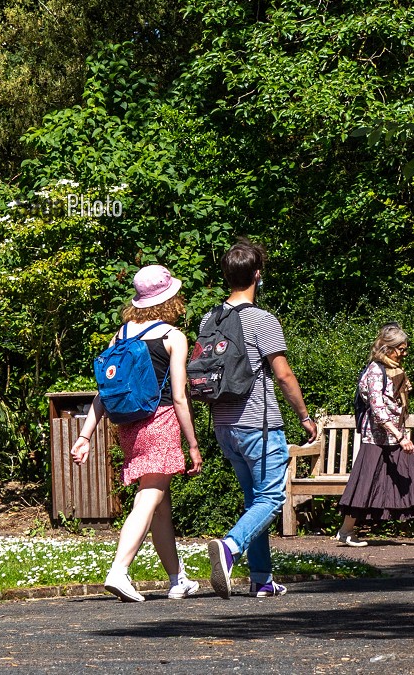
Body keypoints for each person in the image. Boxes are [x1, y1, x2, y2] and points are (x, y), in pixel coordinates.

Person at [71, 264, 203, 602]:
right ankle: (119, 570)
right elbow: (178, 397)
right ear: (170, 299)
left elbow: (105, 390)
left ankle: (177, 579)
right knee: (148, 499)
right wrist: (192, 444)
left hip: (128, 428)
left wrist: (85, 435)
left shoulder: (122, 335)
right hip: (160, 424)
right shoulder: (173, 337)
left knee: (160, 503)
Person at [204, 239, 319, 599]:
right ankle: (230, 548)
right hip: (259, 423)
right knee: (271, 498)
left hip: (223, 424)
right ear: (257, 275)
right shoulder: (262, 320)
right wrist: (304, 416)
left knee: (254, 500)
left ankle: (262, 578)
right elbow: (283, 375)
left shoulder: (210, 318)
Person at [334, 323, 414, 547]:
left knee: (411, 480)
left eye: (405, 348)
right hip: (377, 438)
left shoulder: (392, 369)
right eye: (401, 349)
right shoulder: (374, 370)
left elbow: (392, 402)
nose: (404, 353)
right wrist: (401, 437)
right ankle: (345, 531)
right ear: (387, 348)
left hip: (392, 437)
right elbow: (378, 410)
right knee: (364, 484)